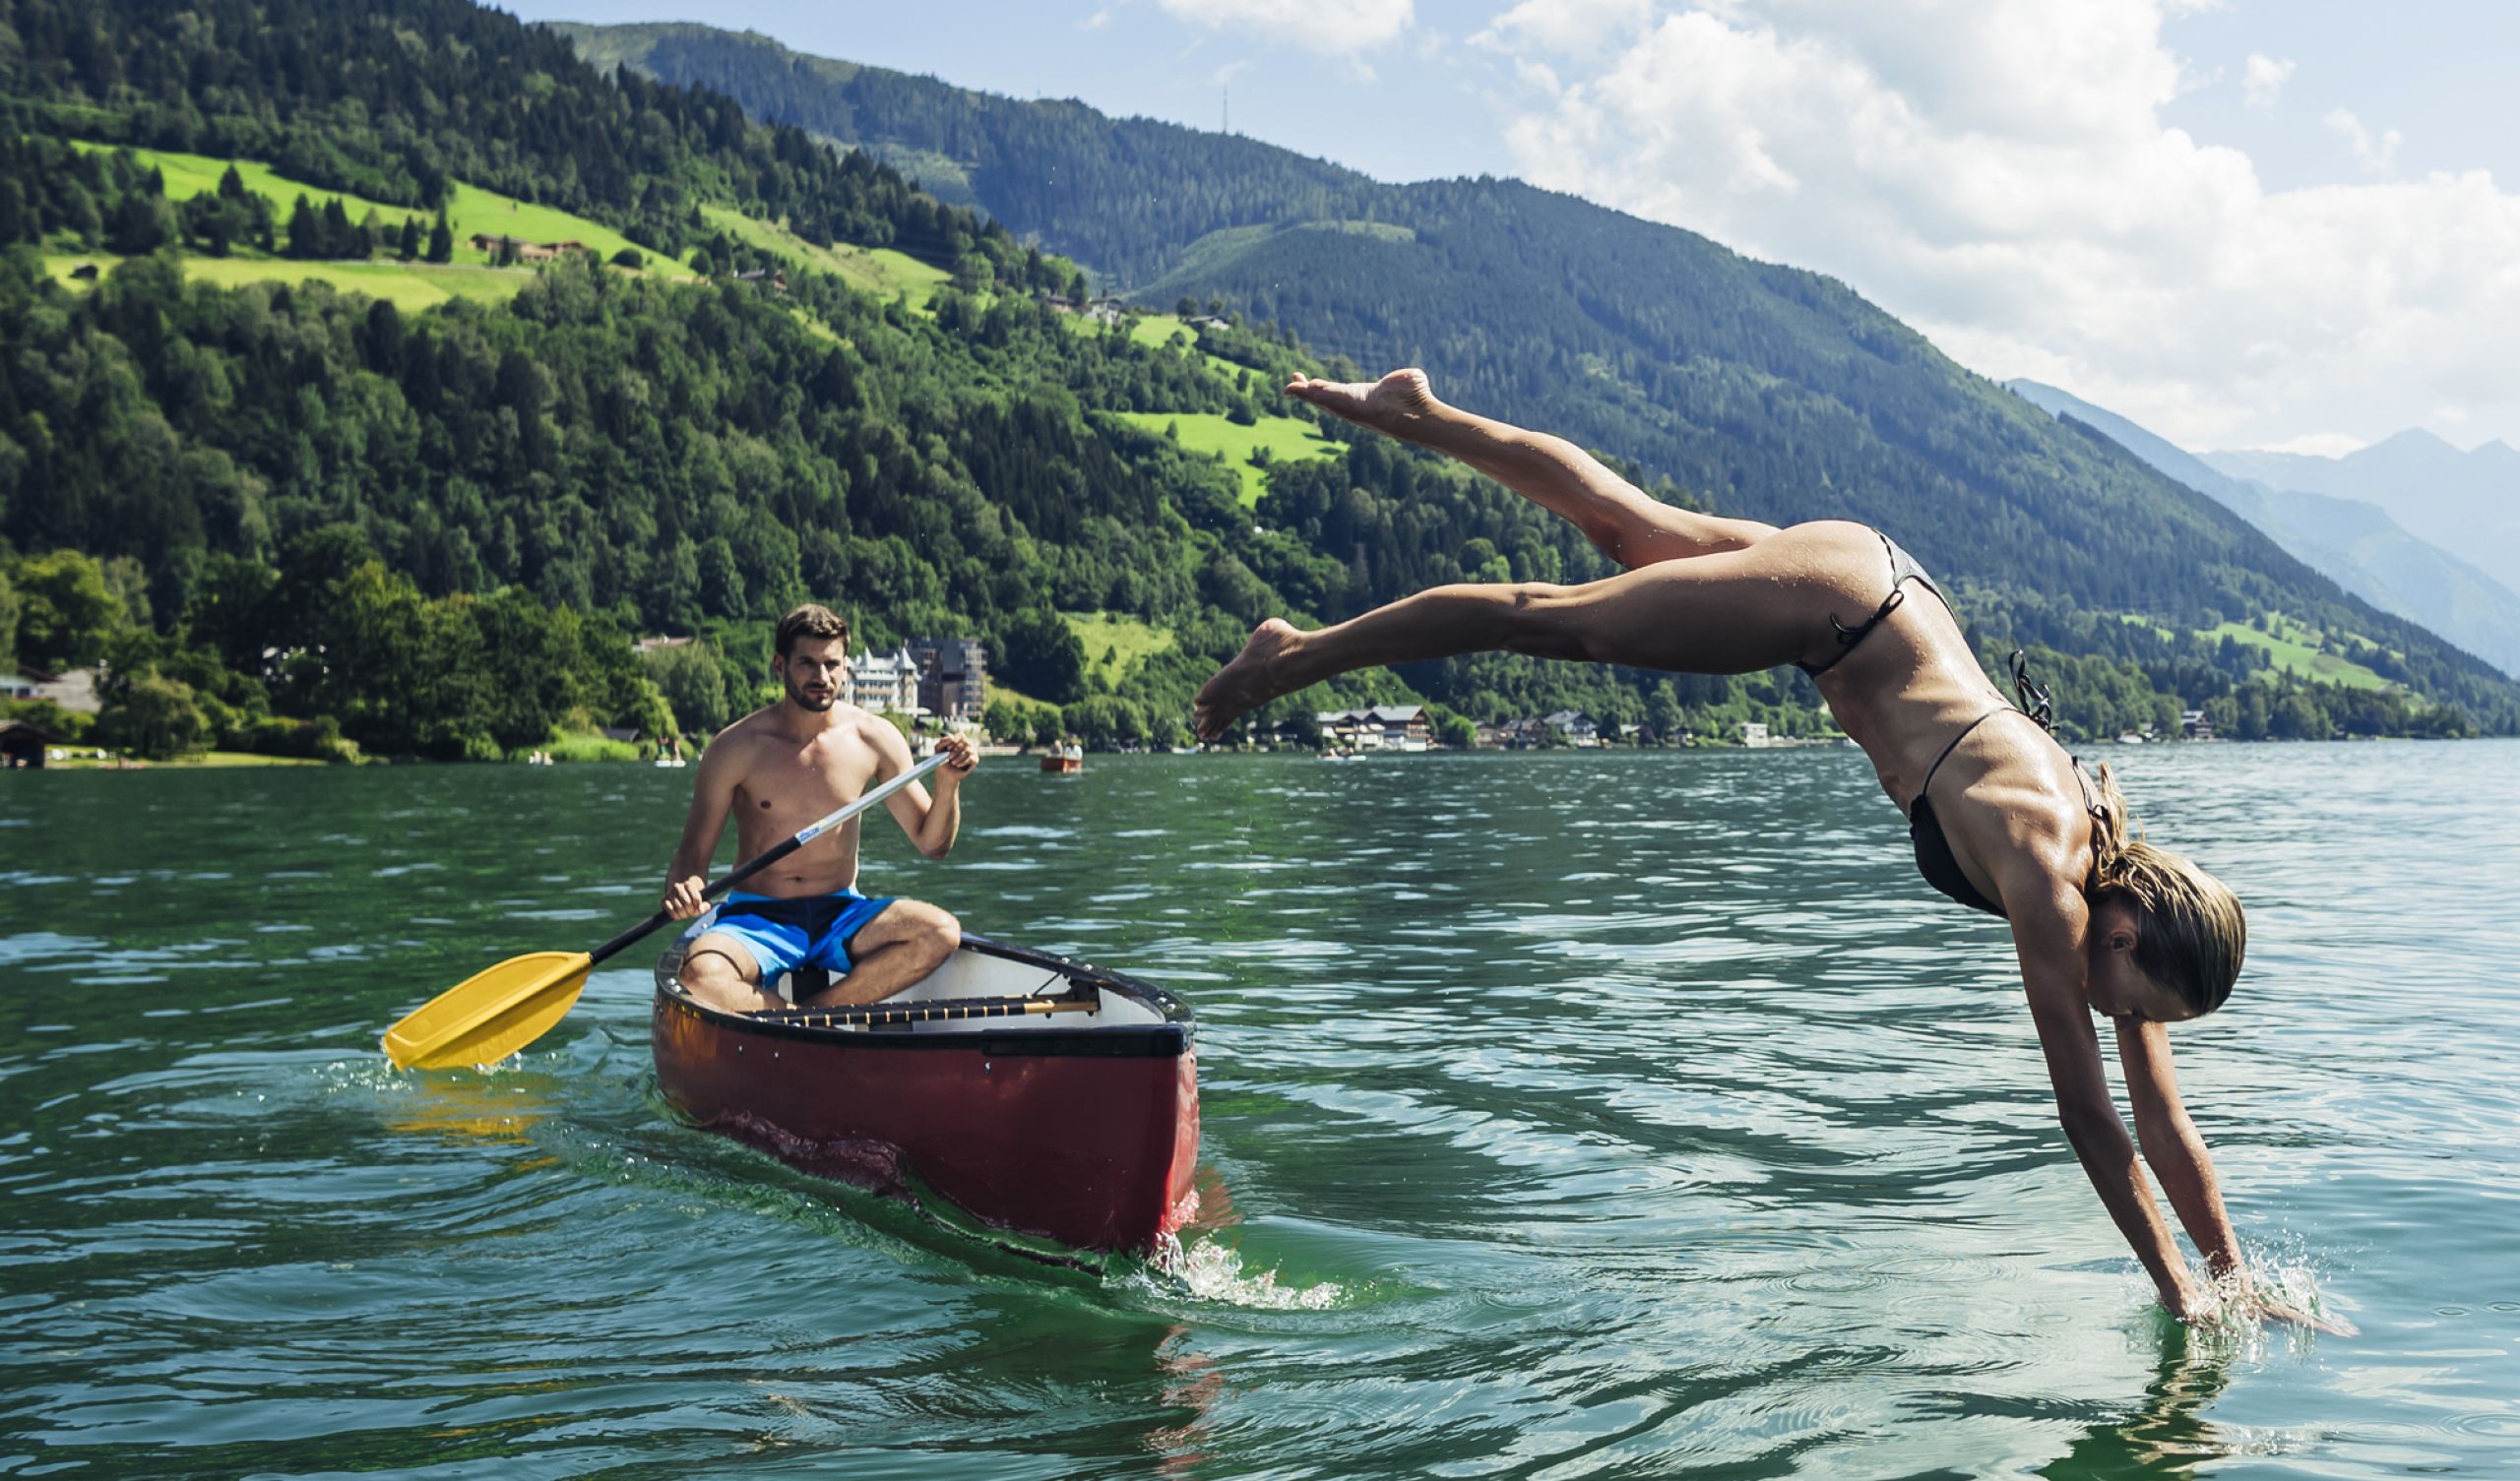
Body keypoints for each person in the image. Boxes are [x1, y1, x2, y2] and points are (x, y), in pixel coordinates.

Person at [1195, 369, 2346, 1333]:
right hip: (1837, 610)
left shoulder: (2115, 891)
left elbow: (2163, 1121)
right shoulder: (2054, 888)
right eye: (2130, 999)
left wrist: (2235, 1271)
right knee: (1553, 615)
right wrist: (2178, 1292)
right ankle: (1290, 656)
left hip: (1879, 587)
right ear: (2129, 930)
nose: (2117, 1014)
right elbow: (2091, 1117)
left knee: (1624, 525)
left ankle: (1425, 414)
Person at [664, 603, 977, 1013]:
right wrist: (684, 888)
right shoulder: (734, 748)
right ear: (780, 665)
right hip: (757, 917)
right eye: (807, 664)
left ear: (846, 667)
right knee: (700, 976)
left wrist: (948, 785)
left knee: (940, 932)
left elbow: (932, 844)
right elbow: (692, 855)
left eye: (832, 664)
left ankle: (814, 1017)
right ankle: (792, 1020)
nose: (822, 677)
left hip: (841, 913)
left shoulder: (874, 738)